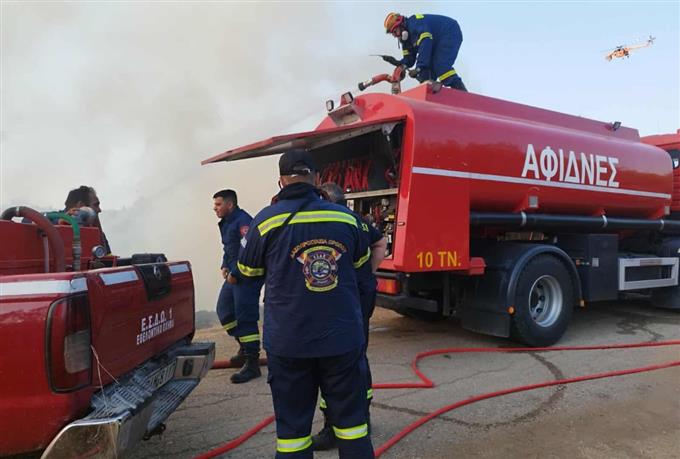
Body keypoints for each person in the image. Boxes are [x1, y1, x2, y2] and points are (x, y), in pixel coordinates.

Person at [234, 150, 374, 458]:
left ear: (281, 182)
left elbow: (246, 273)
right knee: (353, 428)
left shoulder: (265, 221)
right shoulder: (346, 218)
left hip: (289, 343)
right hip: (342, 340)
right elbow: (363, 271)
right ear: (317, 178)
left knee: (293, 436)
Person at [312, 183, 388, 451]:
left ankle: (333, 425)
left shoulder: (333, 223)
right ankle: (361, 417)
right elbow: (381, 242)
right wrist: (369, 271)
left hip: (346, 297)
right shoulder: (358, 222)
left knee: (335, 360)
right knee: (357, 355)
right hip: (362, 293)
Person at [213, 189, 262, 384]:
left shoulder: (244, 221)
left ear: (230, 204)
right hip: (233, 275)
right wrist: (225, 265)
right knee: (224, 311)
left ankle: (252, 363)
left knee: (245, 318)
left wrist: (235, 273)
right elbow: (229, 248)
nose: (215, 208)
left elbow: (248, 250)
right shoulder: (227, 222)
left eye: (218, 204)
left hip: (246, 276)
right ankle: (244, 347)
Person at [383, 12, 468, 91]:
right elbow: (409, 60)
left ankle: (463, 95)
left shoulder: (414, 22)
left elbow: (426, 42)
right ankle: (430, 97)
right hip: (435, 41)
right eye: (392, 34)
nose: (395, 36)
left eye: (395, 32)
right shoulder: (406, 41)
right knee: (426, 76)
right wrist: (398, 63)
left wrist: (419, 68)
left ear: (401, 25)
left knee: (441, 67)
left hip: (449, 31)